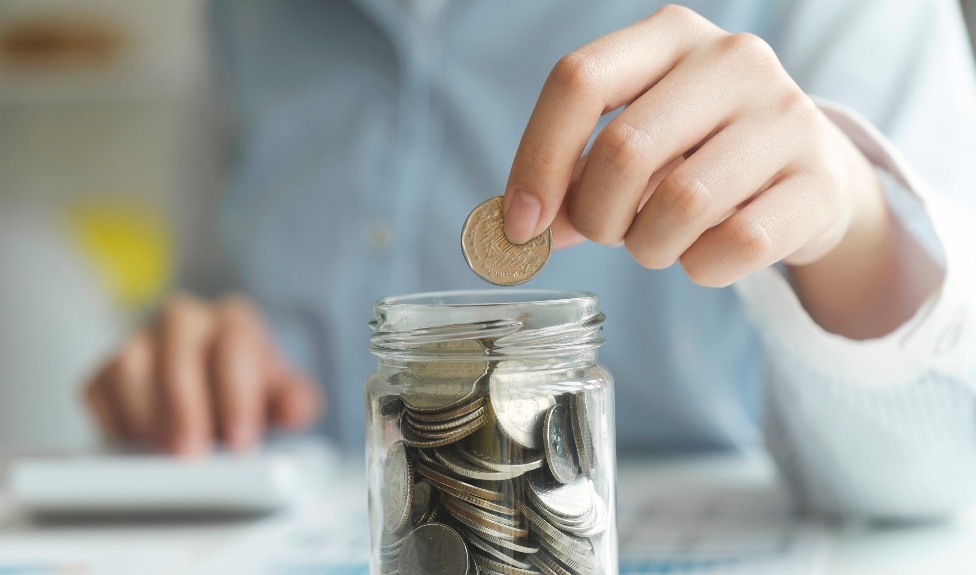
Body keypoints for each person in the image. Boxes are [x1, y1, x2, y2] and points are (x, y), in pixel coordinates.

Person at [83, 0, 976, 520]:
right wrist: (202, 357)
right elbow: (213, 288)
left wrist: (852, 230)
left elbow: (939, 481)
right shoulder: (244, 20)